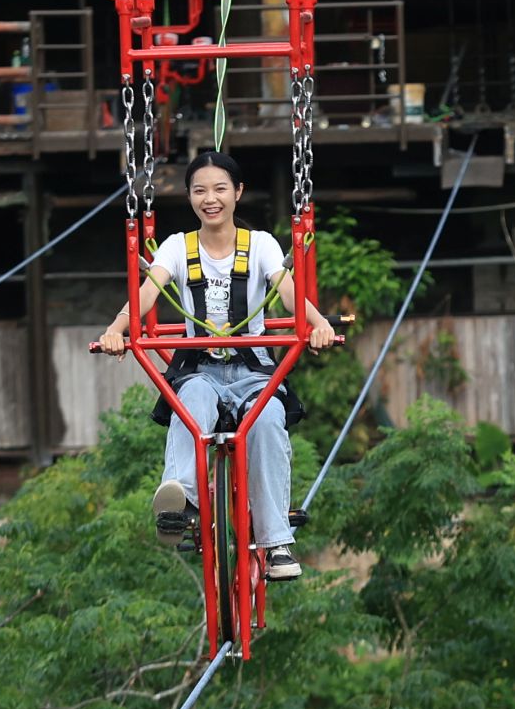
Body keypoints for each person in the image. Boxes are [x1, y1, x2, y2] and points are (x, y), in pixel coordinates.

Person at [97, 149, 337, 581]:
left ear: (238, 193)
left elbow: (288, 292)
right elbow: (147, 295)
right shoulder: (177, 247)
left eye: (220, 189)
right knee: (189, 405)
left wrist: (318, 325)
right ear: (190, 197)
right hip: (200, 369)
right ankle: (181, 501)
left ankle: (276, 542)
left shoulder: (259, 244)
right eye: (200, 190)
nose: (211, 198)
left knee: (265, 420)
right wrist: (117, 328)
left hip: (254, 372)